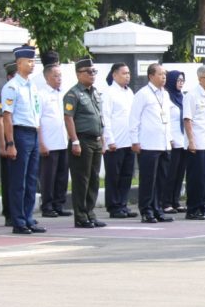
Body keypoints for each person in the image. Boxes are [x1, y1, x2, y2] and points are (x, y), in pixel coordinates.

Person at [3, 45, 46, 235]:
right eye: (29, 61)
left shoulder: (32, 86)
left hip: (33, 133)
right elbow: (7, 116)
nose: (32, 64)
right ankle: (18, 220)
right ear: (19, 64)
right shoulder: (12, 87)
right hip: (20, 134)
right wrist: (10, 143)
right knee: (18, 181)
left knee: (31, 180)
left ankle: (28, 218)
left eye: (33, 61)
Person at [64, 58, 107, 229]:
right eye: (88, 72)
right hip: (82, 140)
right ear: (78, 74)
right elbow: (68, 118)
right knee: (82, 180)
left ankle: (90, 213)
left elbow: (99, 117)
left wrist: (102, 139)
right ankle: (81, 216)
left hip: (95, 140)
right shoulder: (73, 94)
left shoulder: (95, 92)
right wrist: (74, 140)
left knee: (94, 179)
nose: (92, 75)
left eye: (93, 71)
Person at [129, 63, 173, 223]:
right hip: (148, 144)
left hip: (163, 144)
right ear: (151, 76)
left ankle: (157, 208)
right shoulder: (143, 94)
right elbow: (134, 119)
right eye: (160, 74)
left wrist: (170, 139)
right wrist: (135, 141)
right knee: (148, 179)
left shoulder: (165, 94)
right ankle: (146, 210)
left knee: (162, 179)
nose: (163, 77)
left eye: (165, 75)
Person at [102, 62, 136, 218]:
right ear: (114, 75)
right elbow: (105, 118)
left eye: (128, 73)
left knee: (126, 175)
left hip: (129, 141)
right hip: (115, 143)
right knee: (113, 176)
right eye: (124, 73)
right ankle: (114, 206)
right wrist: (109, 140)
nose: (127, 76)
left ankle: (123, 204)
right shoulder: (109, 93)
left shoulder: (129, 93)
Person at [184, 65, 205, 220]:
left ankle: (202, 206)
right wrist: (191, 141)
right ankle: (192, 209)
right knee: (196, 178)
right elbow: (188, 120)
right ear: (200, 79)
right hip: (197, 144)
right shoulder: (192, 95)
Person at [38, 61, 71, 218]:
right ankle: (47, 205)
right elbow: (37, 120)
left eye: (60, 76)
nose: (59, 78)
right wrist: (41, 143)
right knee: (48, 177)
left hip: (63, 141)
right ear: (47, 78)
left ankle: (59, 204)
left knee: (62, 176)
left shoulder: (64, 94)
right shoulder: (41, 95)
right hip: (49, 143)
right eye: (55, 76)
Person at [161, 70, 188, 214]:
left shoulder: (182, 97)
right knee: (170, 174)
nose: (181, 83)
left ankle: (175, 200)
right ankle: (165, 202)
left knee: (179, 173)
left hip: (183, 140)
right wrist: (169, 137)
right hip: (172, 140)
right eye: (178, 80)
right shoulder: (167, 97)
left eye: (182, 80)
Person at [0, 60, 17, 227]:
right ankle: (9, 213)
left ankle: (20, 212)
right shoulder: (5, 92)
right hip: (10, 142)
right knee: (9, 180)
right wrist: (3, 145)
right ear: (9, 76)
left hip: (21, 139)